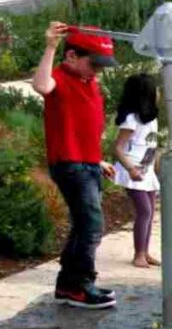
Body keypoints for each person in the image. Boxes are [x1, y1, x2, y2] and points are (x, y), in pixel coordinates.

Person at [32, 22, 118, 308]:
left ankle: (70, 286)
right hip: (70, 164)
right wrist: (50, 46)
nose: (98, 70)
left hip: (88, 163)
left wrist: (98, 159)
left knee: (83, 226)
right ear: (71, 57)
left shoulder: (88, 82)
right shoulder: (59, 77)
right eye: (93, 63)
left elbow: (84, 128)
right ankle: (81, 285)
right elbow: (41, 85)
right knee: (92, 226)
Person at [112, 73, 161, 269]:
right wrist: (130, 169)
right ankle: (138, 254)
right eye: (154, 89)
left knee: (149, 212)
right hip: (133, 171)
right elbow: (117, 148)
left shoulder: (150, 118)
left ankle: (145, 251)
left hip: (146, 171)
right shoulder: (131, 120)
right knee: (144, 211)